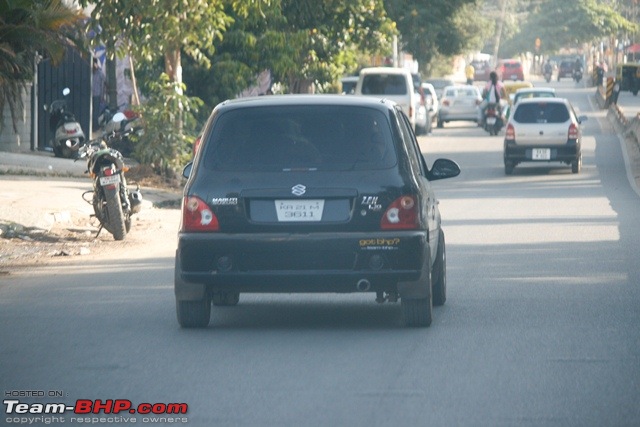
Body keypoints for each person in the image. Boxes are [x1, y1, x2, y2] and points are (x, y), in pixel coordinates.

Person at [92, 58, 106, 129]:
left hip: (96, 95)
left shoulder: (100, 73)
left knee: (95, 112)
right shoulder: (89, 72)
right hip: (89, 95)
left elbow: (103, 86)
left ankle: (95, 126)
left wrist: (102, 96)